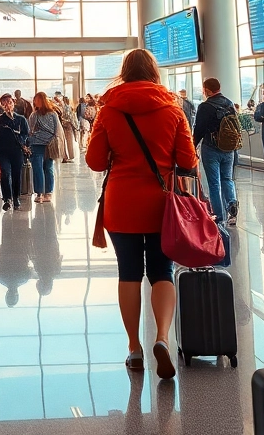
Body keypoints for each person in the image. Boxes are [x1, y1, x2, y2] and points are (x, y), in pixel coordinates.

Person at [86, 49, 197, 380]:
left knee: (129, 273)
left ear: (124, 72)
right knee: (162, 270)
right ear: (153, 72)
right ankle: (162, 337)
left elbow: (94, 161)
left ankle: (134, 347)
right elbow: (188, 161)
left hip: (121, 204)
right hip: (162, 204)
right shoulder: (173, 109)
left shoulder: (108, 111)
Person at [193, 78, 239, 226]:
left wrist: (192, 146)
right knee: (227, 179)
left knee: (214, 184)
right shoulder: (229, 103)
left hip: (211, 148)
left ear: (206, 90)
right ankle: (231, 207)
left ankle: (218, 217)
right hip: (229, 149)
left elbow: (199, 129)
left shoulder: (205, 107)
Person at [0, 94, 30, 212]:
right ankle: (7, 199)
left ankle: (16, 197)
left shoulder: (21, 119)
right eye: (4, 103)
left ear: (13, 103)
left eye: (9, 102)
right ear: (2, 105)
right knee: (5, 172)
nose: (7, 105)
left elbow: (26, 133)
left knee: (16, 174)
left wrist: (22, 141)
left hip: (17, 150)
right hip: (3, 151)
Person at [27, 93, 60, 204]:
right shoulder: (53, 114)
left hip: (37, 144)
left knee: (38, 169)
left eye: (36, 99)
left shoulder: (34, 115)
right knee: (48, 168)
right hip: (49, 144)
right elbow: (56, 130)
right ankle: (48, 193)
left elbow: (30, 131)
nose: (34, 102)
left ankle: (40, 194)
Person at [56, 96, 77, 162]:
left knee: (64, 141)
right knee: (68, 141)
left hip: (64, 125)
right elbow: (71, 117)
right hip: (67, 125)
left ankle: (66, 156)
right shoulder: (68, 107)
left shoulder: (62, 107)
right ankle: (69, 156)